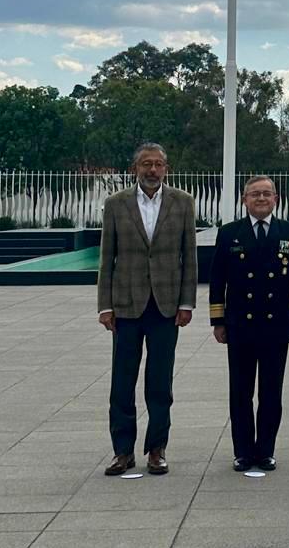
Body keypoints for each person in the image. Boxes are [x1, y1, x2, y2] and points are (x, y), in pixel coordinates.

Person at [97, 142, 197, 476]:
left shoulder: (183, 203)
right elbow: (106, 259)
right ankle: (122, 451)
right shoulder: (116, 204)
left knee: (160, 382)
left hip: (166, 306)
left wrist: (186, 303)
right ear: (134, 168)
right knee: (122, 382)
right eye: (145, 164)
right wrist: (104, 307)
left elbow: (189, 258)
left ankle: (157, 448)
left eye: (158, 164)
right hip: (126, 306)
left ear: (166, 168)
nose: (152, 170)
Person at [209, 175, 289, 472]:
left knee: (271, 392)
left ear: (276, 199)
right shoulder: (230, 234)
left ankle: (265, 450)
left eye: (267, 194)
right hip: (240, 324)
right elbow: (217, 280)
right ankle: (242, 451)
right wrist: (218, 319)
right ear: (244, 199)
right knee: (240, 391)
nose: (262, 199)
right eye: (255, 194)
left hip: (276, 325)